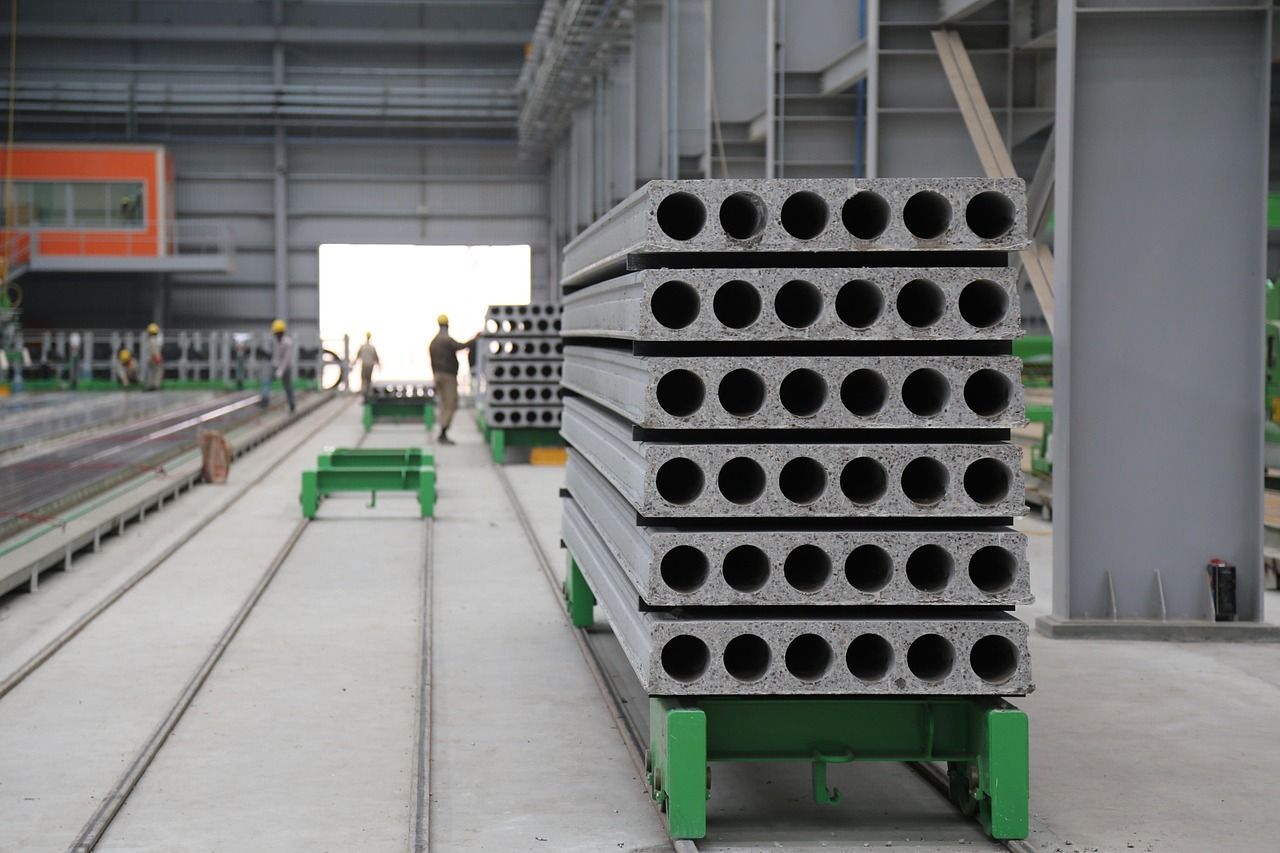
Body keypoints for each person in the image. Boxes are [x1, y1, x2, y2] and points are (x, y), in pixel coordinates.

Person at [428, 314, 474, 445]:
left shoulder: (434, 341)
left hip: (437, 375)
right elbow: (460, 346)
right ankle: (443, 432)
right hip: (448, 376)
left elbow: (431, 360)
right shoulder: (446, 340)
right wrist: (474, 339)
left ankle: (442, 430)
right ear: (447, 325)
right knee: (452, 402)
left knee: (444, 403)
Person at [261, 319, 296, 414]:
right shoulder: (275, 341)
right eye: (276, 333)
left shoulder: (287, 342)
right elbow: (275, 356)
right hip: (275, 365)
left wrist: (280, 371)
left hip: (286, 368)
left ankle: (292, 404)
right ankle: (265, 398)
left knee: (288, 386)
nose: (277, 335)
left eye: (279, 333)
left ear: (283, 332)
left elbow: (286, 359)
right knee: (266, 380)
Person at [352, 331, 381, 399]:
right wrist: (378, 365)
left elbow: (358, 355)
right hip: (370, 365)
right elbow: (376, 357)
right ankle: (367, 391)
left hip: (365, 365)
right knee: (368, 379)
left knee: (364, 378)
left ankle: (364, 391)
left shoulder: (363, 347)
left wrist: (354, 363)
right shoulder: (372, 347)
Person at [144, 322, 164, 391]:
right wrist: (158, 357)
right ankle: (155, 386)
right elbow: (155, 350)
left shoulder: (149, 340)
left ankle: (150, 385)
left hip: (150, 358)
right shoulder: (154, 340)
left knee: (151, 372)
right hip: (154, 358)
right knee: (158, 371)